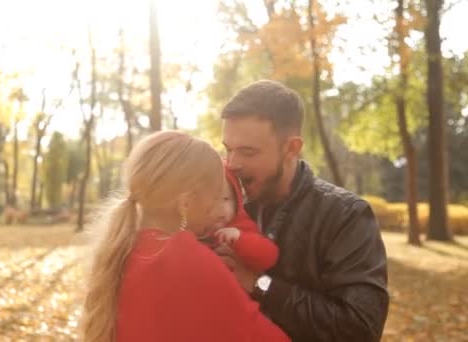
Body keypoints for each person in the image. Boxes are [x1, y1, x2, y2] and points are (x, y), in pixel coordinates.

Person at [218, 80, 389, 342]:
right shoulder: (221, 209)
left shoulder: (347, 215)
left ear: (292, 148)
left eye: (247, 151)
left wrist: (259, 284)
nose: (233, 164)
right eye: (228, 149)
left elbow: (360, 329)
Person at [81, 131, 289, 342]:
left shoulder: (123, 247)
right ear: (186, 203)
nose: (218, 209)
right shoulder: (185, 255)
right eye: (217, 196)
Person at [207, 162, 279, 273]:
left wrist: (240, 239)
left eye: (226, 199)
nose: (219, 207)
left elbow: (270, 256)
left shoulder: (241, 226)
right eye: (210, 200)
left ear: (237, 200)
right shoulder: (189, 228)